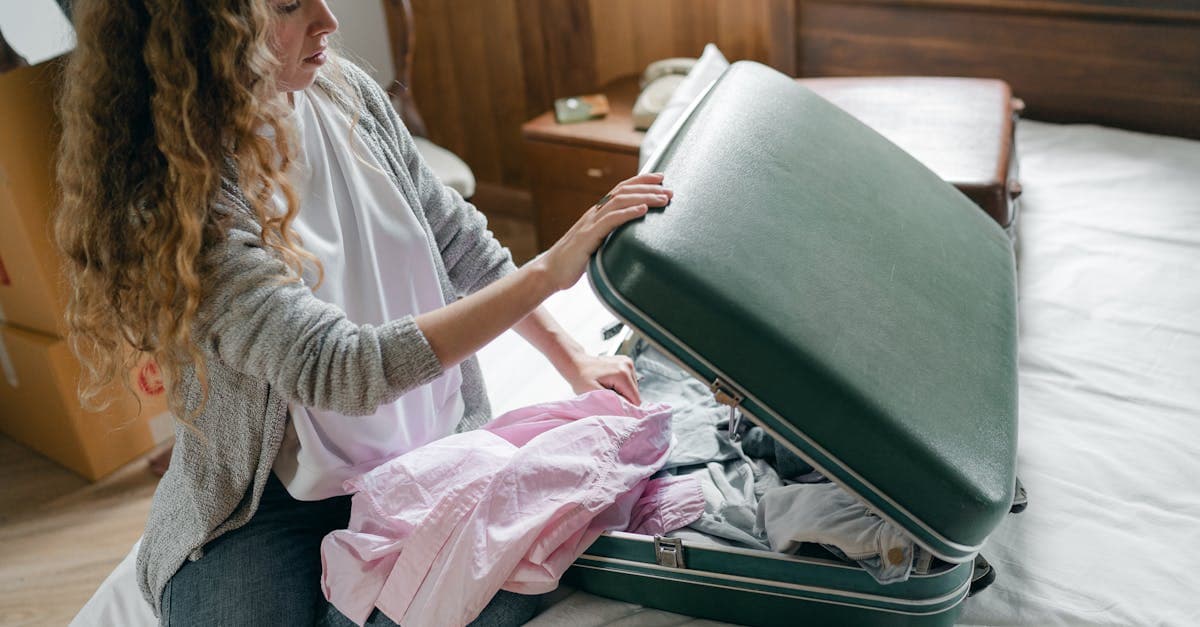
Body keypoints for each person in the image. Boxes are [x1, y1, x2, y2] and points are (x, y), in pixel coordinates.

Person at [54, 0, 672, 625]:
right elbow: (337, 366)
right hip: (267, 502)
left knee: (507, 572)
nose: (329, 20)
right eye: (291, 6)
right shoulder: (177, 194)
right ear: (200, 31)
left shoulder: (347, 95)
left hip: (424, 454)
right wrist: (548, 270)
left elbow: (458, 241)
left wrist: (573, 358)